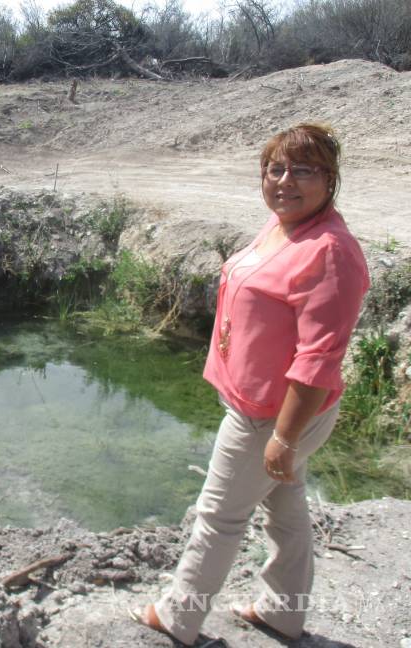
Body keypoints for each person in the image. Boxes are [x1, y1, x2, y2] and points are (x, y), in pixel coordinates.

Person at [131, 123, 369, 645]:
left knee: (218, 515)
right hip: (259, 404)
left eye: (303, 170)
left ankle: (178, 616)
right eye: (275, 169)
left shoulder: (330, 252)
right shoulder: (284, 226)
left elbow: (318, 360)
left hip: (273, 414)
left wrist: (283, 439)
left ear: (330, 179)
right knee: (285, 507)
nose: (285, 181)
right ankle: (284, 612)